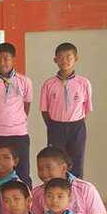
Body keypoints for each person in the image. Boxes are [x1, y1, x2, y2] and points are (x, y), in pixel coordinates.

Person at [0, 42, 33, 185]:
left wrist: (14, 120)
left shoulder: (25, 81)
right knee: (0, 172)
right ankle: (0, 198)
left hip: (19, 133)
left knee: (22, 173)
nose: (2, 63)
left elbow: (26, 106)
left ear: (13, 59)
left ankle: (26, 199)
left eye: (6, 59)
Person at [40, 43, 92, 178]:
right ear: (55, 60)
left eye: (69, 57)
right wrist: (53, 126)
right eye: (61, 57)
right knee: (55, 161)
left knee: (77, 161)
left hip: (77, 127)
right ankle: (55, 187)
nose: (65, 61)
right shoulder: (48, 84)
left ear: (76, 58)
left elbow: (86, 108)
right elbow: (44, 110)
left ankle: (76, 188)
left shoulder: (84, 83)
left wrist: (75, 123)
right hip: (56, 127)